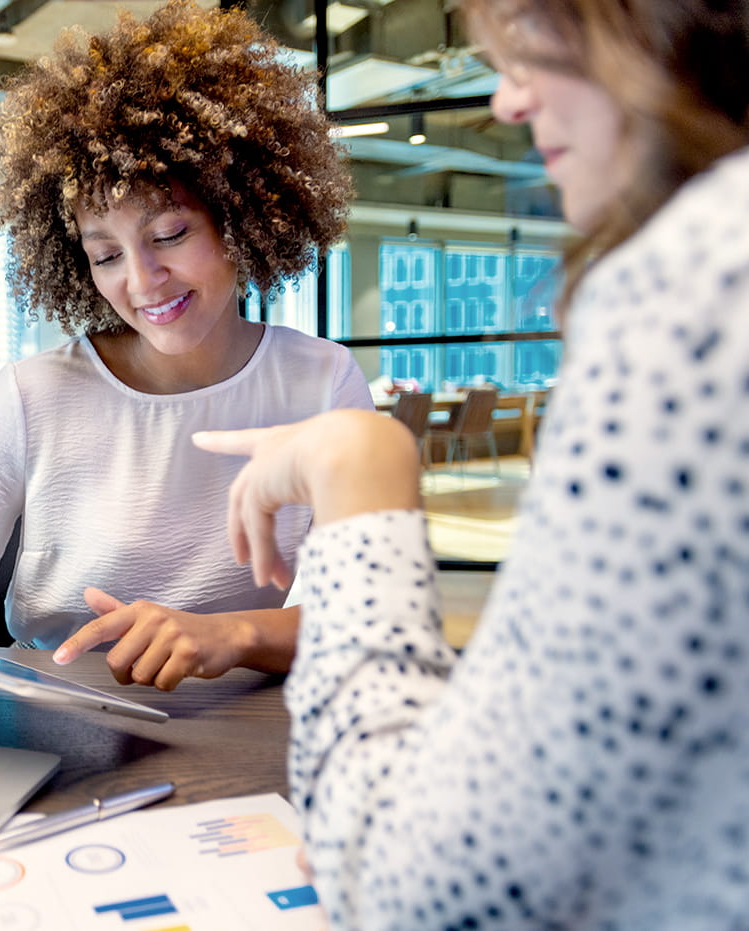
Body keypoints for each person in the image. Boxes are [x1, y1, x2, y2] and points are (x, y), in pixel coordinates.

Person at [192, 0, 749, 926]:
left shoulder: (694, 292)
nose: (507, 101)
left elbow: (421, 888)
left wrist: (358, 468)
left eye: (537, 38)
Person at [0, 0, 369, 693]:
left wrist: (230, 635)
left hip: (244, 720)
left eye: (170, 235)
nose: (141, 282)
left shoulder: (322, 382)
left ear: (241, 216)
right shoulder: (34, 393)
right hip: (52, 712)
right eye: (106, 254)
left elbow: (360, 616)